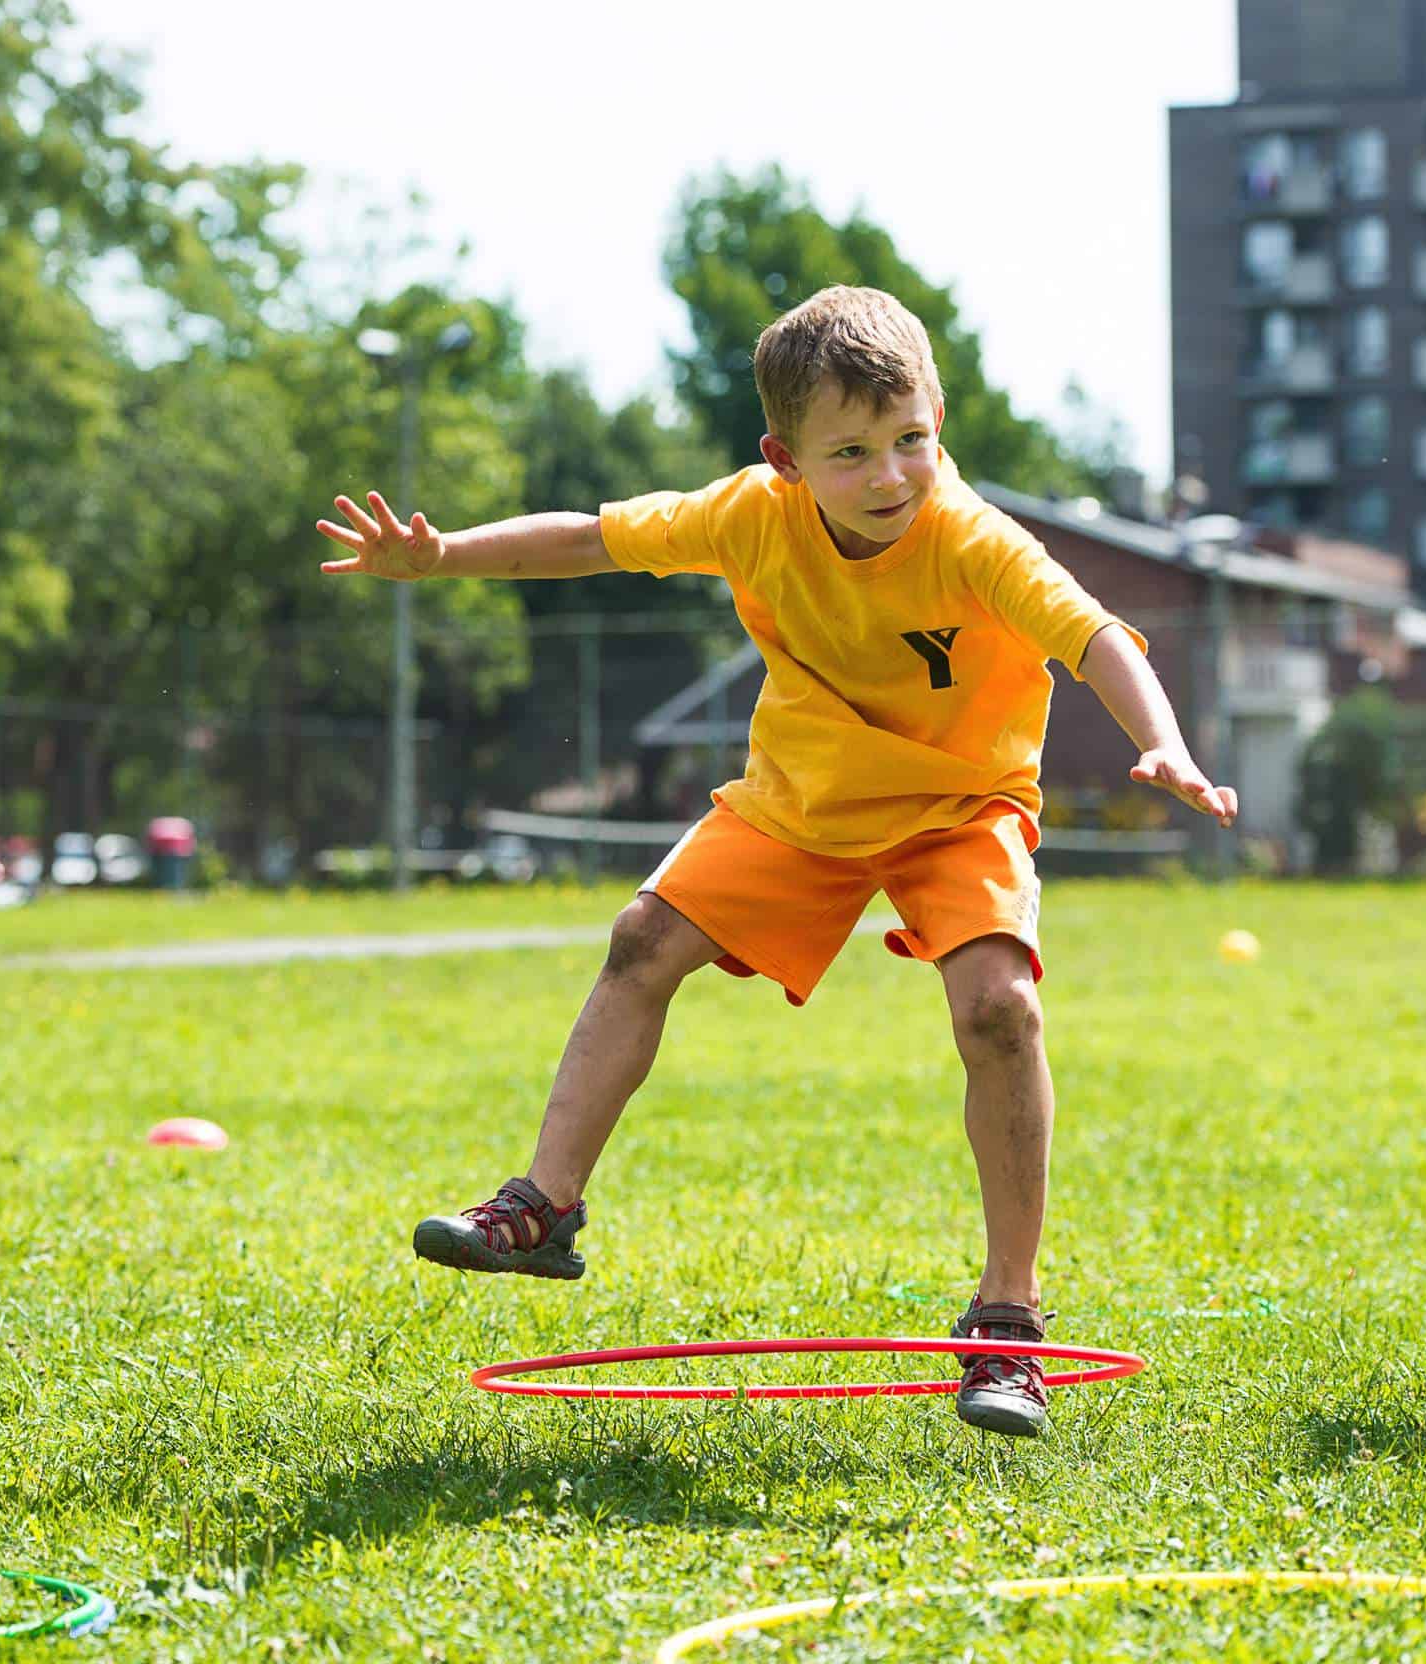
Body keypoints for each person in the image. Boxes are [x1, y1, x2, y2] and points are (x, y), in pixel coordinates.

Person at [315, 287, 1235, 1438]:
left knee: (1000, 1008)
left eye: (911, 439)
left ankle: (1007, 1322)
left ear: (937, 416)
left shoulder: (971, 537)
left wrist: (1163, 740)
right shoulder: (748, 515)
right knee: (643, 938)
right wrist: (443, 555)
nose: (892, 474)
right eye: (849, 453)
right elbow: (591, 538)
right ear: (784, 459)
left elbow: (1092, 633)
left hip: (958, 803)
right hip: (803, 794)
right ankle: (542, 1206)